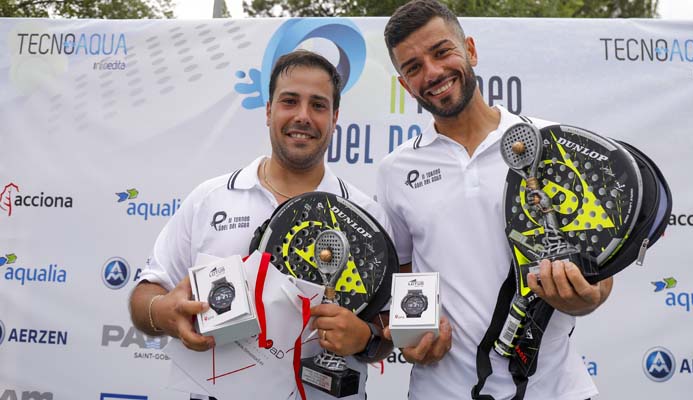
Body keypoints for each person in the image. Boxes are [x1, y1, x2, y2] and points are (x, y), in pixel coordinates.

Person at [377, 1, 613, 399]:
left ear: (470, 50)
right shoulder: (395, 170)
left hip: (555, 390)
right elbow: (403, 273)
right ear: (404, 85)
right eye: (413, 67)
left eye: (441, 52)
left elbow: (599, 265)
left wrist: (590, 296)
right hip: (441, 391)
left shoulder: (550, 141)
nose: (432, 73)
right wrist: (410, 332)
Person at [129, 50, 392, 400]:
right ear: (268, 110)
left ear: (335, 117)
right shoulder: (210, 198)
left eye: (318, 105)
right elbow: (145, 295)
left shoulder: (365, 213)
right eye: (289, 101)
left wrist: (365, 340)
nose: (303, 116)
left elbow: (389, 334)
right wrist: (163, 312)